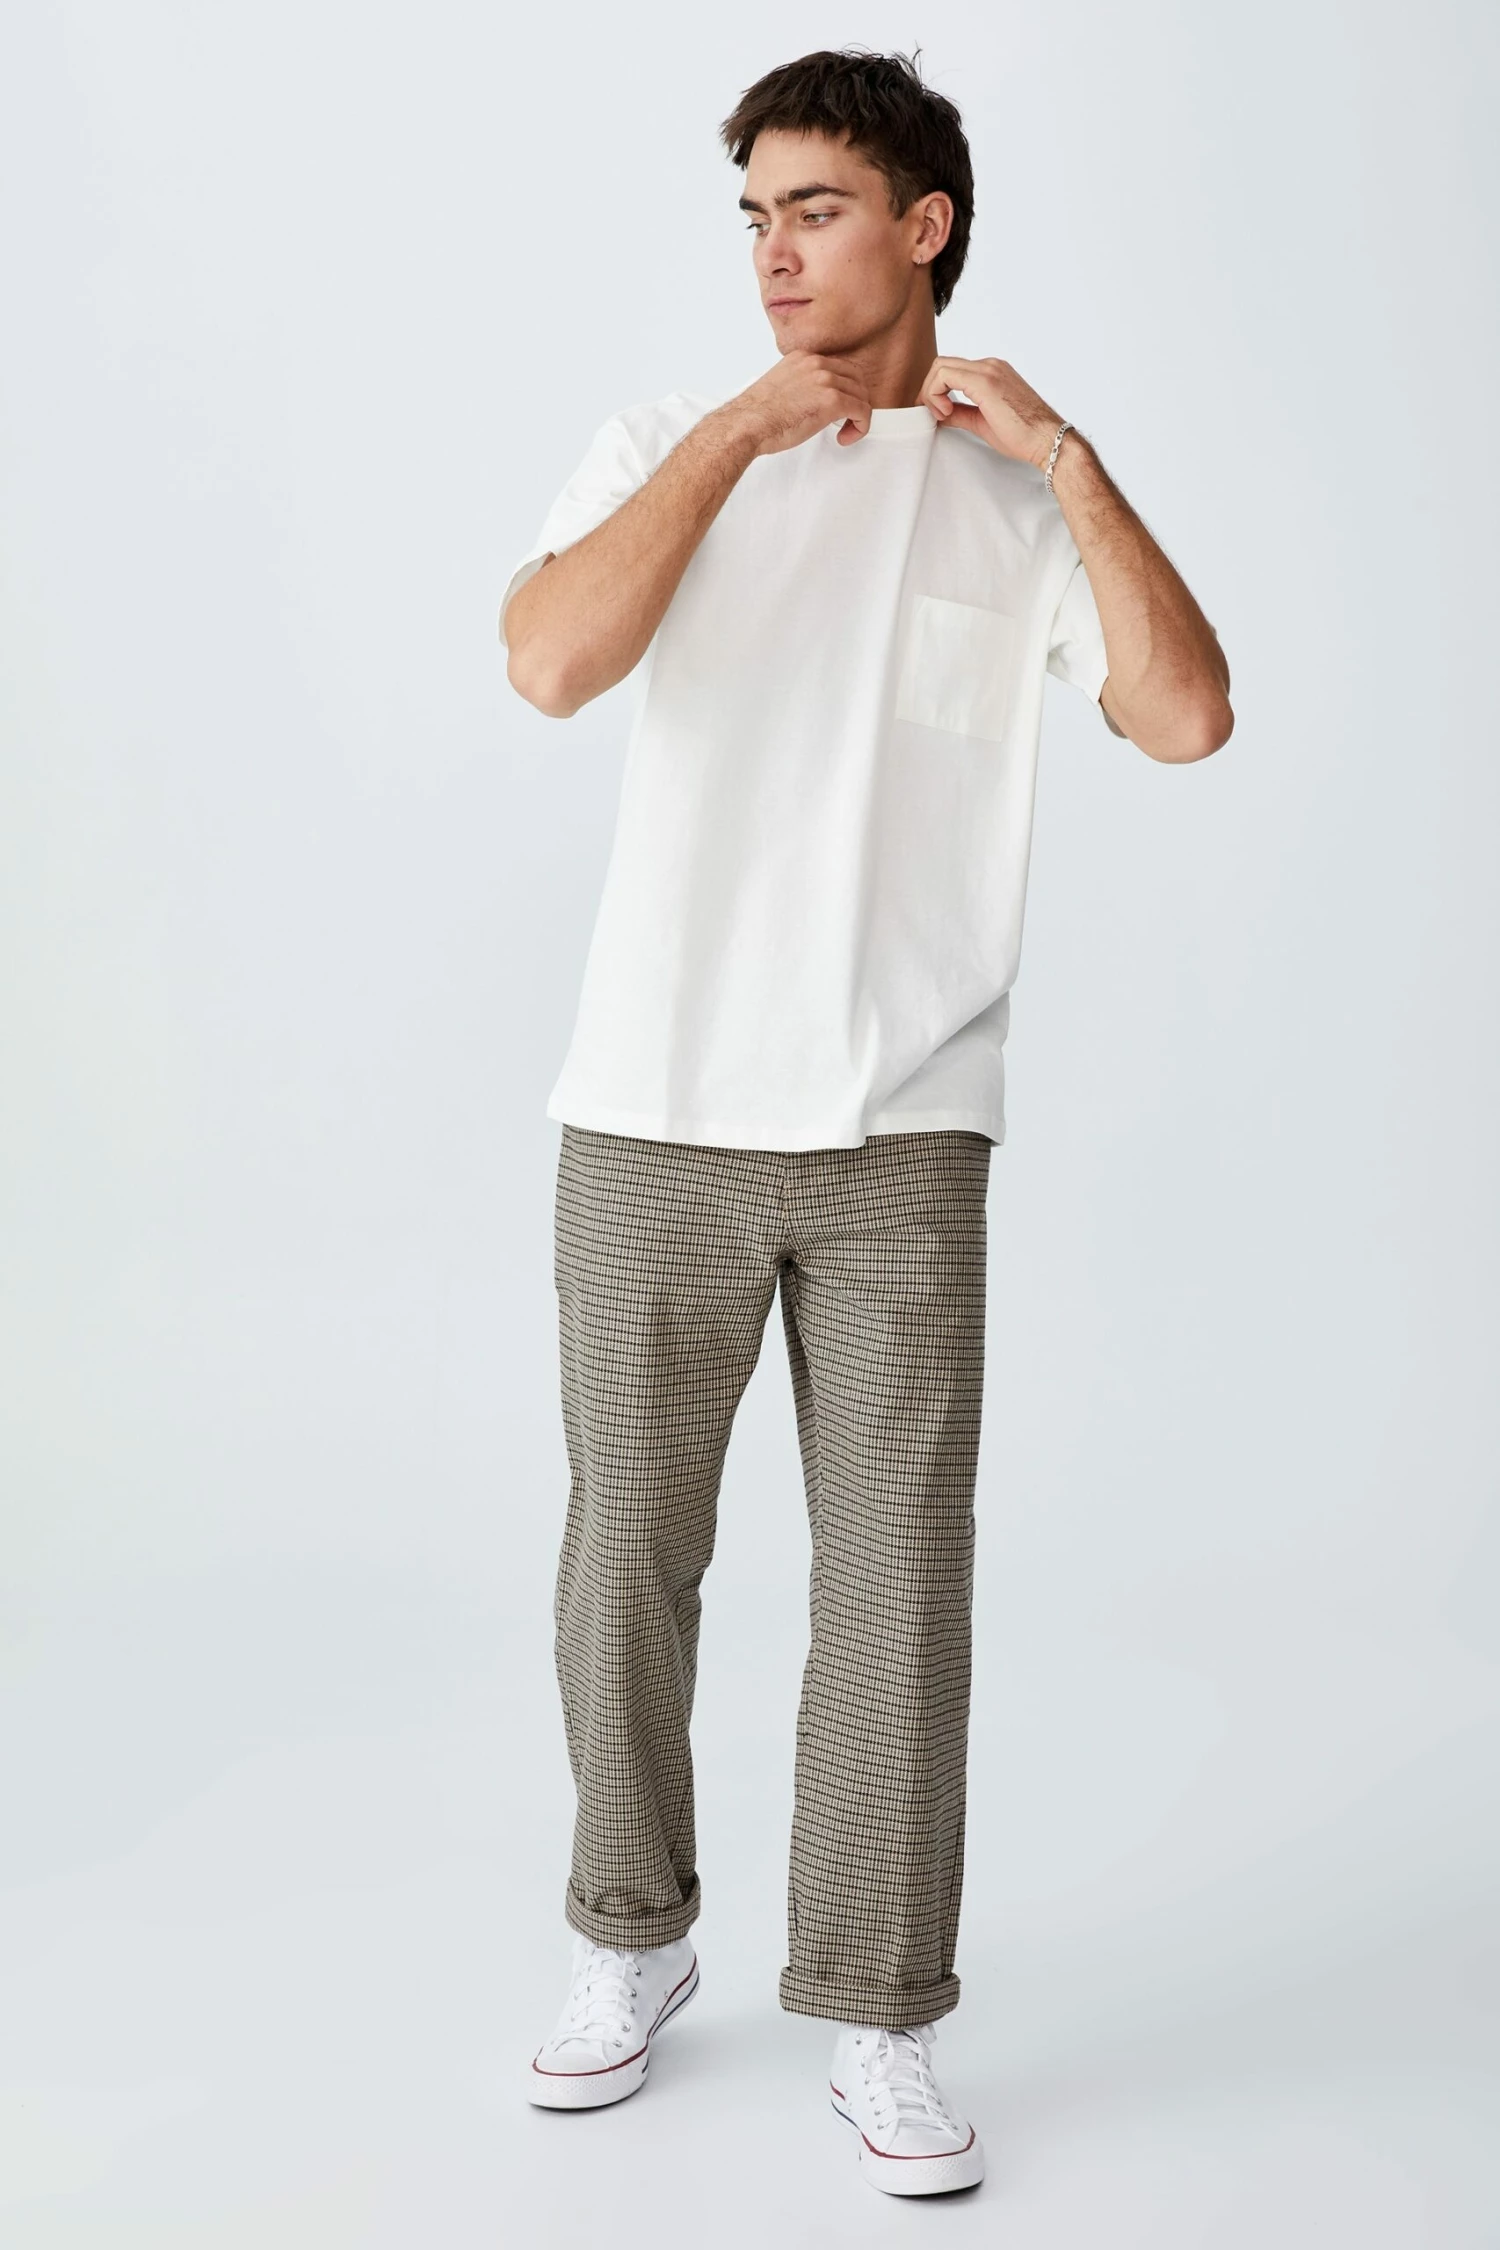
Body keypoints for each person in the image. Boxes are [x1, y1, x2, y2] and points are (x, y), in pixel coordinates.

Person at [498, 46, 1232, 2199]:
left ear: (924, 225)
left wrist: (1072, 459)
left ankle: (881, 2012)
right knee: (625, 1561)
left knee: (901, 1587)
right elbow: (549, 663)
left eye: (814, 208)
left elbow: (1187, 716)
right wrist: (741, 432)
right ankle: (629, 1935)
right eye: (753, 215)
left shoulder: (1018, 501)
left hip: (908, 1133)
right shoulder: (668, 438)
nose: (773, 252)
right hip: (652, 1107)